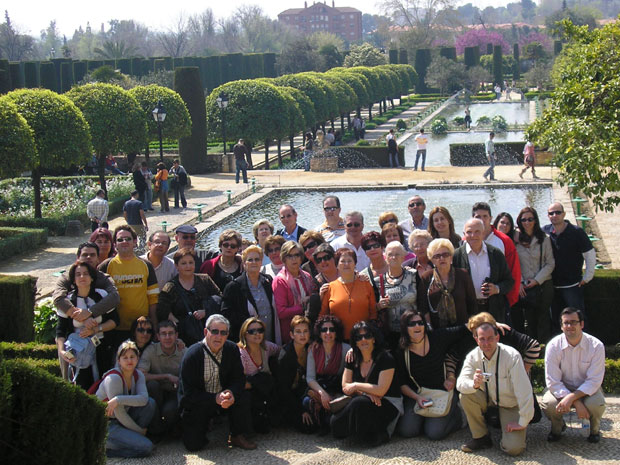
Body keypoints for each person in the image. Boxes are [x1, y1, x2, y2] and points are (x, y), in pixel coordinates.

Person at [178, 314, 256, 451]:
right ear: (205, 332)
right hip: (200, 402)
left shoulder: (231, 350)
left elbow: (239, 379)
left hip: (224, 398)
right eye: (214, 331)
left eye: (223, 333)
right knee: (194, 445)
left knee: (243, 396)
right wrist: (214, 398)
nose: (218, 336)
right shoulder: (192, 355)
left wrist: (230, 393)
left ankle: (237, 435)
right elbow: (188, 394)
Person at [457, 323, 534, 456]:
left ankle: (508, 433)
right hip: (487, 399)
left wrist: (523, 421)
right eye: (482, 339)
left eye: (490, 338)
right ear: (476, 339)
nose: (486, 343)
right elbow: (460, 384)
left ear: (497, 337)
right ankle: (481, 437)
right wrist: (473, 384)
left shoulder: (512, 356)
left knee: (513, 449)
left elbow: (524, 390)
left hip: (509, 405)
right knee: (465, 395)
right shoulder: (472, 356)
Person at [396, 310, 467, 440]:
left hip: (442, 393)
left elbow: (464, 329)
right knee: (408, 430)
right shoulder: (402, 351)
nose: (417, 326)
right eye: (412, 324)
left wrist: (491, 323)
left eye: (420, 323)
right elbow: (401, 383)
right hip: (418, 394)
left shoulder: (437, 337)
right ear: (405, 328)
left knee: (434, 433)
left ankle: (458, 416)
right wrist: (417, 397)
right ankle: (426, 419)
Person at [331, 321, 403, 447]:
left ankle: (380, 433)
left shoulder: (385, 358)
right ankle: (360, 431)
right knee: (334, 424)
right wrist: (366, 393)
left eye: (367, 336)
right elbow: (345, 387)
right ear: (355, 342)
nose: (363, 340)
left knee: (358, 404)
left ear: (374, 338)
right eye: (359, 338)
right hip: (364, 399)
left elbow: (381, 390)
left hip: (387, 401)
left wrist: (356, 386)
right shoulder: (352, 357)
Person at [542, 308, 606, 444]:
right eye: (566, 323)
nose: (569, 326)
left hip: (588, 391)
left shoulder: (596, 346)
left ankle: (593, 430)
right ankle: (557, 428)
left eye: (573, 322)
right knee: (549, 403)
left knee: (596, 404)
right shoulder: (553, 346)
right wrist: (575, 402)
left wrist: (572, 397)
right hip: (561, 389)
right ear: (561, 326)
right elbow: (553, 381)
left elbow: (594, 381)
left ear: (581, 324)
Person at [56, 260, 119, 389]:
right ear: (73, 280)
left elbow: (115, 321)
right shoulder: (68, 301)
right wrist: (62, 351)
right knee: (81, 386)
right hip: (79, 350)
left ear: (91, 277)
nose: (82, 277)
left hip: (102, 347)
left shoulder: (102, 296)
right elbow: (60, 331)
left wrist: (95, 329)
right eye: (78, 274)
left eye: (85, 274)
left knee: (104, 385)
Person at [98, 225, 160, 350]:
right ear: (115, 244)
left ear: (135, 242)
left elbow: (153, 299)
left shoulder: (146, 265)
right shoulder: (106, 266)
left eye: (128, 239)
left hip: (141, 328)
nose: (124, 242)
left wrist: (154, 325)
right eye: (120, 240)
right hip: (114, 327)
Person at [95, 341, 155, 458]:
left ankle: (129, 438)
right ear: (119, 361)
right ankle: (106, 448)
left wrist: (118, 399)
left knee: (150, 404)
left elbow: (144, 399)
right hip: (107, 423)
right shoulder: (114, 378)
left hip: (123, 418)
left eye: (132, 357)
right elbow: (119, 413)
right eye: (125, 357)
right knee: (146, 448)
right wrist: (139, 431)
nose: (129, 361)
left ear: (137, 358)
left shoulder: (138, 375)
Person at [542, 202, 595, 333]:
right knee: (556, 321)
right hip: (553, 285)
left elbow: (589, 254)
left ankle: (585, 347)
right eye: (551, 213)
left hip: (572, 286)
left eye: (558, 212)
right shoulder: (545, 231)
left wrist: (588, 277)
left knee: (578, 320)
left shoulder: (577, 232)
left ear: (564, 214)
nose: (554, 215)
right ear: (548, 216)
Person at [53, 242, 120, 340]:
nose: (88, 257)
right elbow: (58, 298)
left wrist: (89, 312)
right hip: (74, 339)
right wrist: (79, 316)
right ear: (78, 257)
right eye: (85, 255)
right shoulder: (65, 278)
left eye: (92, 255)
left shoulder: (104, 279)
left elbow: (114, 297)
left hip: (102, 337)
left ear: (98, 258)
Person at [452, 219, 514, 323]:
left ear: (483, 232)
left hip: (493, 309)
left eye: (477, 232)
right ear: (464, 234)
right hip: (469, 310)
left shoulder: (495, 253)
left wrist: (496, 288)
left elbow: (509, 281)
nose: (473, 235)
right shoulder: (456, 256)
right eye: (469, 232)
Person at [157, 248, 221, 347]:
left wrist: (206, 310)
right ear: (176, 266)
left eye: (191, 262)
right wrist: (178, 323)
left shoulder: (205, 279)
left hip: (208, 331)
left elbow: (220, 298)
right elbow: (162, 310)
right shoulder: (170, 287)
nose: (188, 266)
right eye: (183, 263)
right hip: (184, 336)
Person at [221, 245, 281, 345]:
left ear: (261, 262)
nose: (254, 262)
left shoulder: (268, 281)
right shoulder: (233, 287)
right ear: (244, 264)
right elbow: (227, 314)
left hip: (270, 337)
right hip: (248, 341)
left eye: (257, 259)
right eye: (250, 260)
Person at [138, 320, 186, 437]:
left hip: (175, 393)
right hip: (157, 392)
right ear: (158, 336)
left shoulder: (184, 351)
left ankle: (172, 429)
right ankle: (156, 430)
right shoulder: (151, 350)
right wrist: (166, 376)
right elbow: (140, 374)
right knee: (152, 385)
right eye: (164, 334)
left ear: (176, 336)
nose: (167, 337)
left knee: (169, 411)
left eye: (171, 333)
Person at [513, 207, 555, 342]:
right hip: (524, 286)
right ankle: (531, 350)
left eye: (530, 219)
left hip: (543, 284)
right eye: (524, 219)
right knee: (529, 319)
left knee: (543, 318)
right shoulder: (515, 239)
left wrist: (537, 280)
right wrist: (520, 282)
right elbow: (513, 264)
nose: (527, 222)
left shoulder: (544, 239)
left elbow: (550, 263)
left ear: (535, 220)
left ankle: (544, 348)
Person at [305, 315, 351, 433]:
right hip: (321, 387)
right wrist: (322, 393)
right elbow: (310, 378)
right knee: (308, 402)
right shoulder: (313, 350)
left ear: (336, 333)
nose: (328, 332)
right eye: (324, 330)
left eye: (332, 329)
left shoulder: (346, 349)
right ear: (319, 333)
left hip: (338, 387)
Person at [320, 248, 376, 341]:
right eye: (342, 261)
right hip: (338, 340)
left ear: (355, 263)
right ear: (337, 265)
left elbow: (373, 313)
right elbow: (323, 315)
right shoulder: (330, 287)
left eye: (350, 261)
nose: (346, 264)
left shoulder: (365, 283)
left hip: (363, 339)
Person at [473, 202, 521, 309]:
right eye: (478, 217)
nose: (482, 219)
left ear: (491, 218)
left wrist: (510, 300)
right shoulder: (466, 241)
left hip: (499, 300)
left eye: (485, 216)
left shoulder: (504, 241)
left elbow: (514, 271)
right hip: (473, 303)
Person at [237, 317, 281, 433]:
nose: (257, 334)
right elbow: (239, 383)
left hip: (264, 390)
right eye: (252, 331)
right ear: (245, 334)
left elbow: (281, 351)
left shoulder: (266, 347)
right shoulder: (242, 354)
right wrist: (259, 384)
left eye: (260, 330)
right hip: (249, 391)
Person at [422, 239, 477, 329]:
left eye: (445, 255)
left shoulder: (463, 275)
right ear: (432, 260)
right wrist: (430, 328)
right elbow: (423, 307)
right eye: (437, 256)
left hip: (463, 328)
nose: (442, 258)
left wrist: (471, 326)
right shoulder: (426, 277)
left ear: (451, 257)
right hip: (438, 330)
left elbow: (472, 304)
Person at [377, 241, 421, 348]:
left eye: (397, 254)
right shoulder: (379, 281)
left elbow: (422, 301)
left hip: (414, 329)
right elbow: (373, 307)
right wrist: (378, 305)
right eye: (390, 254)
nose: (393, 257)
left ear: (403, 257)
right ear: (385, 258)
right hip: (391, 334)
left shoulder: (413, 275)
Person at [276, 315, 315, 433]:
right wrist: (300, 410)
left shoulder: (310, 348)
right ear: (292, 335)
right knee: (308, 428)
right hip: (286, 397)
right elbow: (283, 389)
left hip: (301, 393)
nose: (302, 335)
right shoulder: (285, 356)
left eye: (305, 331)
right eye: (298, 332)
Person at [273, 241, 316, 344]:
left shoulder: (307, 276)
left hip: (308, 328)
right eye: (289, 256)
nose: (294, 259)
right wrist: (304, 306)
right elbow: (281, 312)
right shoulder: (280, 280)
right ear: (284, 258)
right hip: (290, 332)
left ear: (301, 257)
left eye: (297, 255)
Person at [359, 231, 388, 300]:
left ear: (382, 247)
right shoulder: (363, 275)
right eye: (368, 247)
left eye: (376, 246)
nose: (372, 249)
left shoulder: (394, 268)